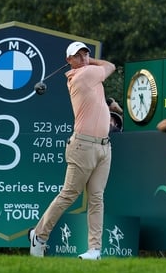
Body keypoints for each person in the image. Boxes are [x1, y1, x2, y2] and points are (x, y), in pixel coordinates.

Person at [28, 41, 115, 260]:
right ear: (69, 60)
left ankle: (94, 250)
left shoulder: (88, 73)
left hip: (104, 147)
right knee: (68, 195)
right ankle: (39, 236)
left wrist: (87, 61)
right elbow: (110, 65)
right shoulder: (83, 76)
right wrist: (91, 62)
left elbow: (106, 67)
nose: (84, 58)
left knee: (97, 198)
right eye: (78, 55)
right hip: (83, 146)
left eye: (86, 54)